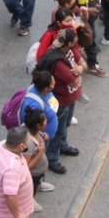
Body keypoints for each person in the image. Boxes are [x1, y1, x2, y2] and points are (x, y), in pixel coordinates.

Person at [35, 29, 84, 177]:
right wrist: (78, 72)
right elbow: (73, 81)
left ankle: (63, 146)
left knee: (66, 125)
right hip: (60, 101)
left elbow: (83, 63)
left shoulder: (67, 49)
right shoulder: (58, 63)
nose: (76, 43)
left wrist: (80, 68)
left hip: (70, 98)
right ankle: (52, 158)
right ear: (69, 43)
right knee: (58, 130)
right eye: (74, 41)